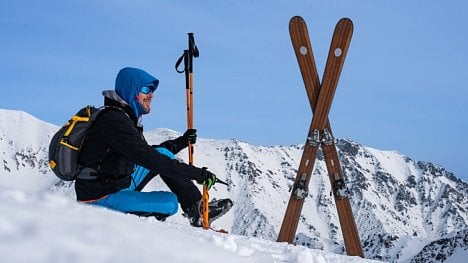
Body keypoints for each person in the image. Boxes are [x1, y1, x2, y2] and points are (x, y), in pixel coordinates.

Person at [76, 67, 233, 226]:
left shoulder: (123, 117)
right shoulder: (114, 121)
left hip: (116, 183)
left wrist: (182, 141)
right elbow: (150, 159)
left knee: (162, 152)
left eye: (152, 90)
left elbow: (151, 153)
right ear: (132, 90)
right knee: (170, 203)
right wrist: (197, 174)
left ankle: (196, 209)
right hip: (99, 197)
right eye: (146, 89)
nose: (151, 95)